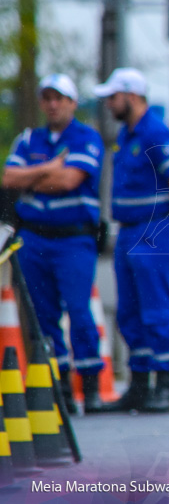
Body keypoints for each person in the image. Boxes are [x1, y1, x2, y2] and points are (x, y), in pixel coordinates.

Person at [2, 74, 106, 413]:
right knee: (42, 315)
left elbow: (68, 180)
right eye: (47, 98)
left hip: (73, 239)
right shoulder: (30, 138)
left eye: (60, 98)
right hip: (33, 237)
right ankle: (57, 384)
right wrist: (47, 167)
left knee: (78, 311)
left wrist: (32, 176)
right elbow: (8, 178)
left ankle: (89, 385)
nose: (53, 104)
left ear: (73, 103)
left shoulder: (86, 137)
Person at [94, 68, 169, 413]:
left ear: (132, 96)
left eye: (113, 97)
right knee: (130, 311)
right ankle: (139, 387)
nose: (109, 104)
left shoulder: (154, 132)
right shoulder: (128, 134)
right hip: (129, 229)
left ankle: (164, 387)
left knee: (156, 307)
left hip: (155, 229)